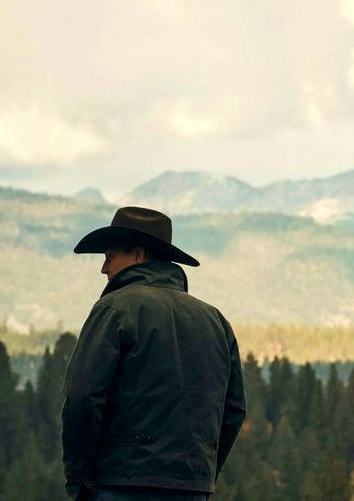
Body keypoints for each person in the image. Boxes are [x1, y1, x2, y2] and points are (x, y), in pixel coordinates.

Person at [62, 206, 246, 500]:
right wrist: (202, 473)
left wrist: (79, 480)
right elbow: (234, 410)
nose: (104, 268)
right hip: (192, 489)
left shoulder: (115, 309)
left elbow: (82, 398)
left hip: (120, 484)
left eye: (110, 256)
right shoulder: (216, 321)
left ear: (137, 255)